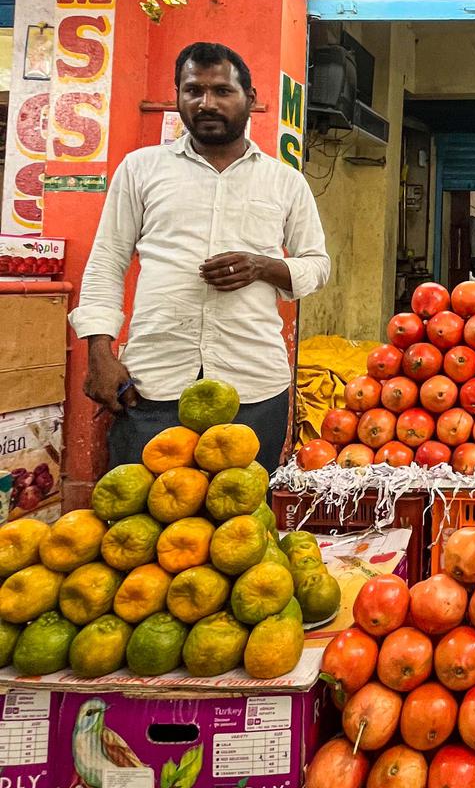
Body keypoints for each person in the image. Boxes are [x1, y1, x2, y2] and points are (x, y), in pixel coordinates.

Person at [71, 42, 331, 470]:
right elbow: (107, 261)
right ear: (178, 96)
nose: (206, 103)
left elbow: (317, 264)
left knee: (241, 521)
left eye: (222, 91)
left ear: (250, 100)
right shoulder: (141, 169)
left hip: (252, 383)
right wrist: (99, 353)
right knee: (142, 520)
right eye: (193, 90)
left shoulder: (285, 182)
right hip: (153, 381)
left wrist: (263, 266)